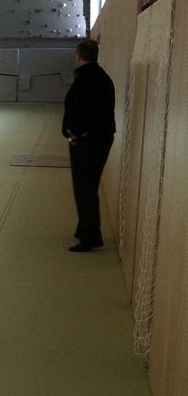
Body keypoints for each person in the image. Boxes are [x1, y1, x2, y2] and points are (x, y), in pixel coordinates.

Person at [62, 38, 116, 252]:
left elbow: (85, 112)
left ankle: (91, 237)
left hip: (89, 141)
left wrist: (75, 134)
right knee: (88, 186)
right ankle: (85, 227)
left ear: (79, 56)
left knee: (84, 187)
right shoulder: (100, 77)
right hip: (98, 139)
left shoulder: (88, 79)